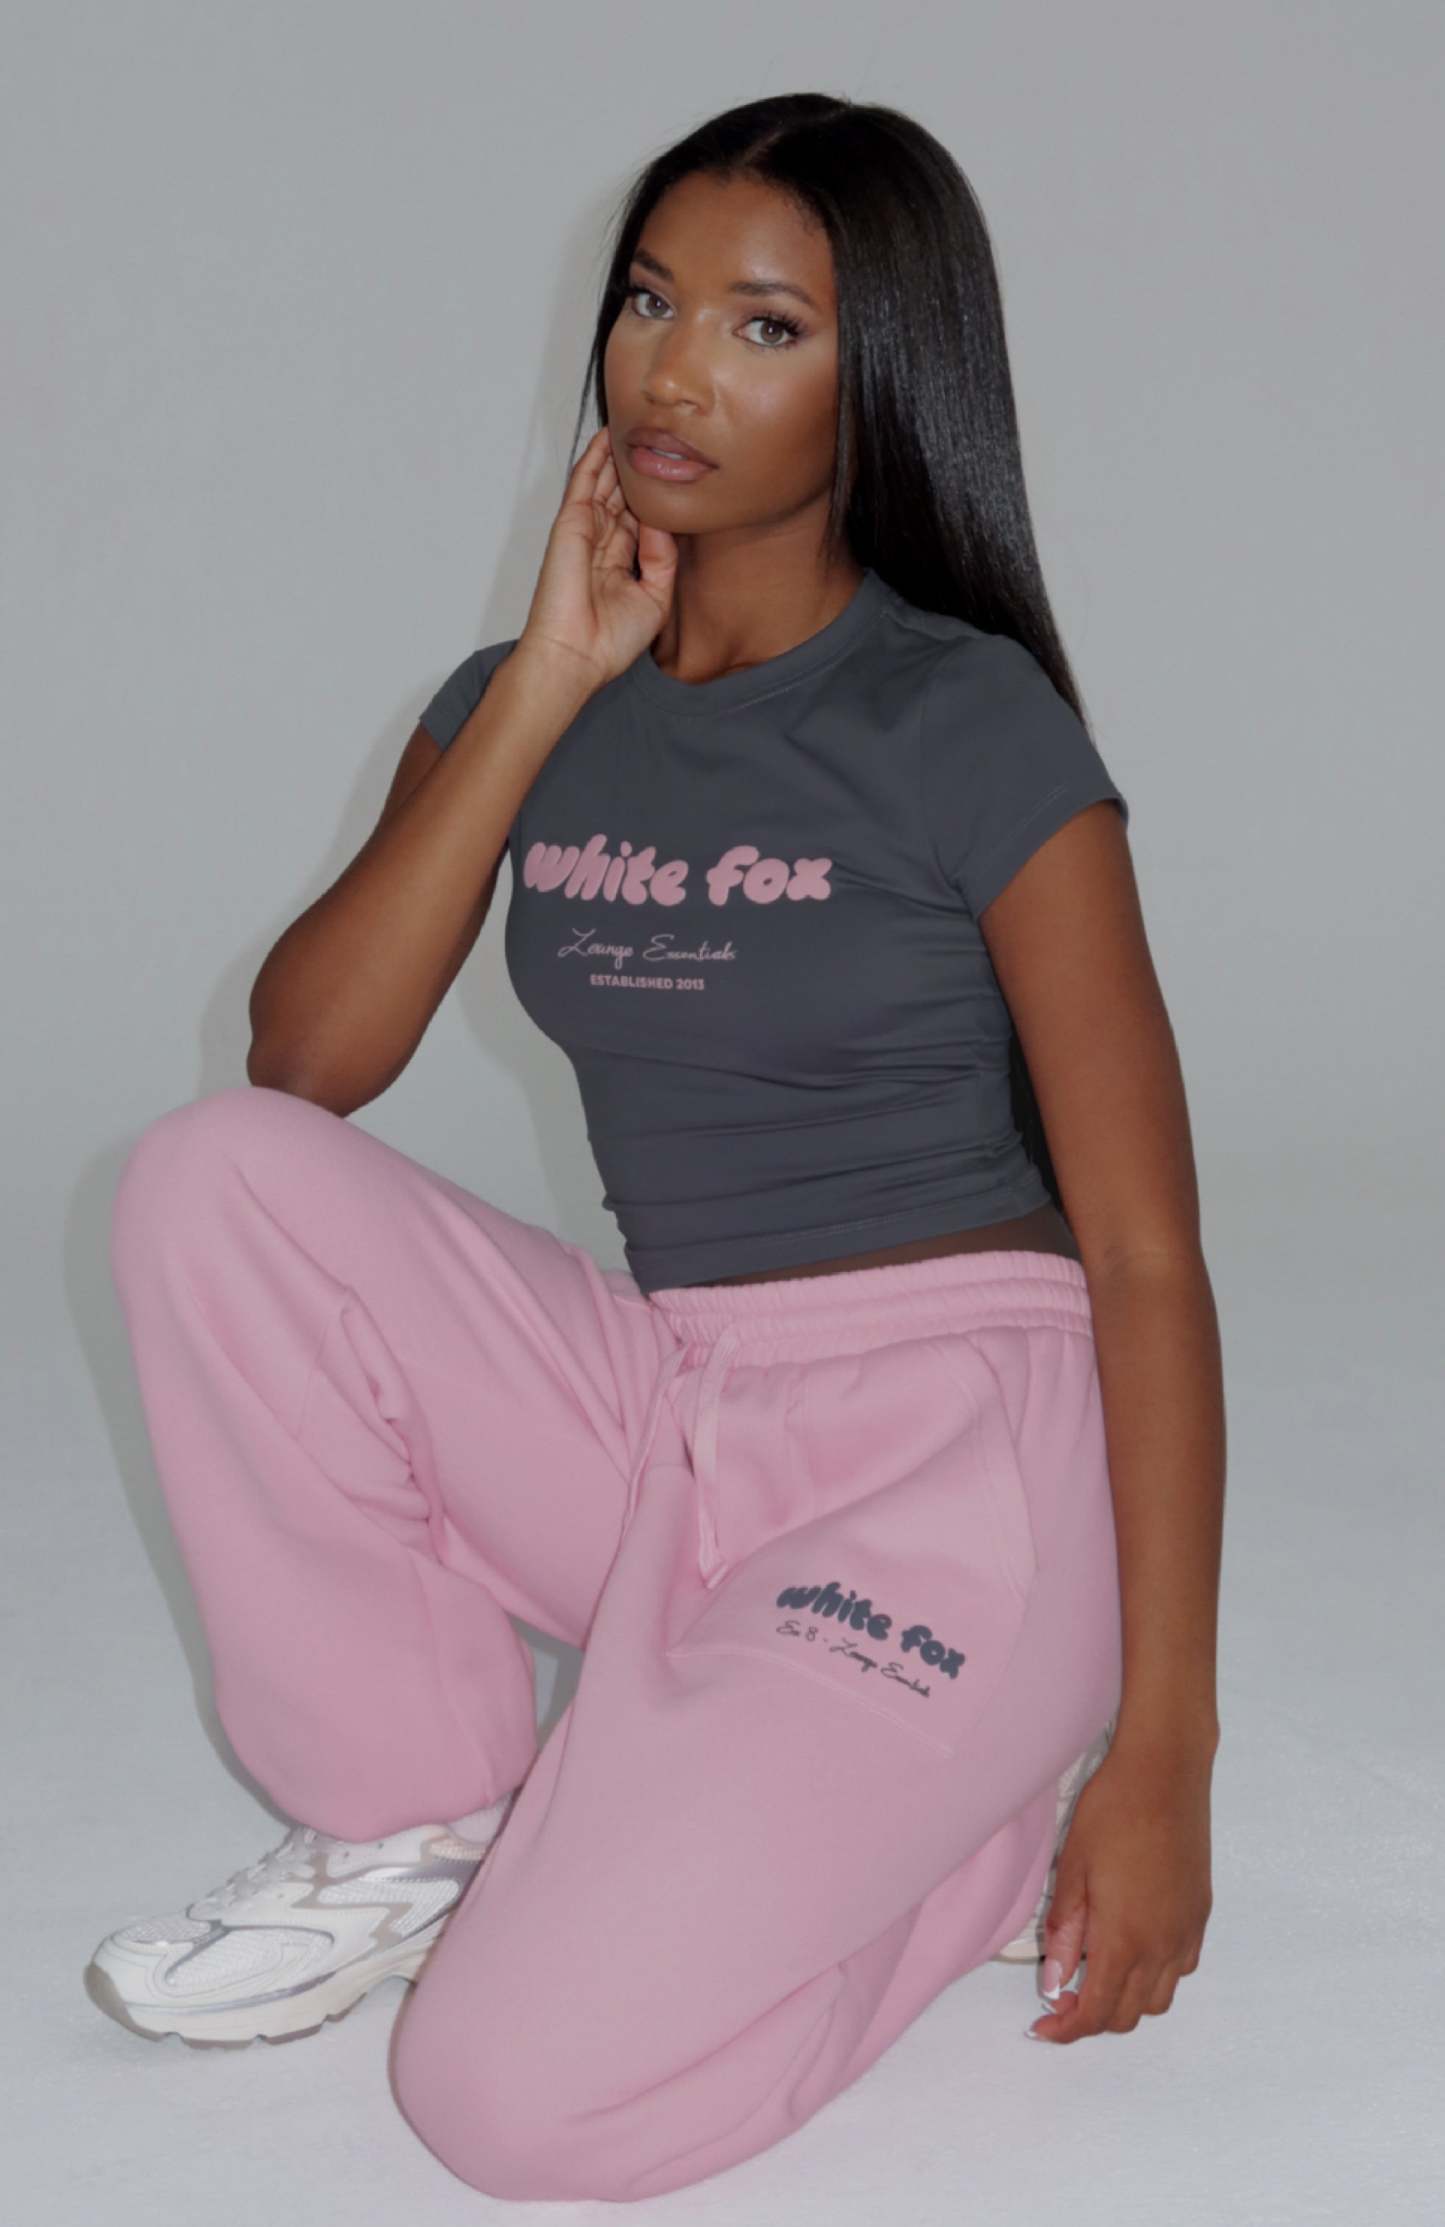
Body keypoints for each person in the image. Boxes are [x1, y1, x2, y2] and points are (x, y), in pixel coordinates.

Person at [86, 92, 1224, 2204]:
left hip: (947, 1479)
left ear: (881, 380)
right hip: (675, 1407)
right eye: (649, 302)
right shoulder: (527, 695)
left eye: (764, 327)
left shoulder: (966, 725)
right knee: (208, 1183)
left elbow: (1146, 1258)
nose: (675, 370)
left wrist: (1165, 1751)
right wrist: (546, 682)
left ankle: (961, 1838)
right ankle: (419, 1815)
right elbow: (303, 1060)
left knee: (501, 2099)